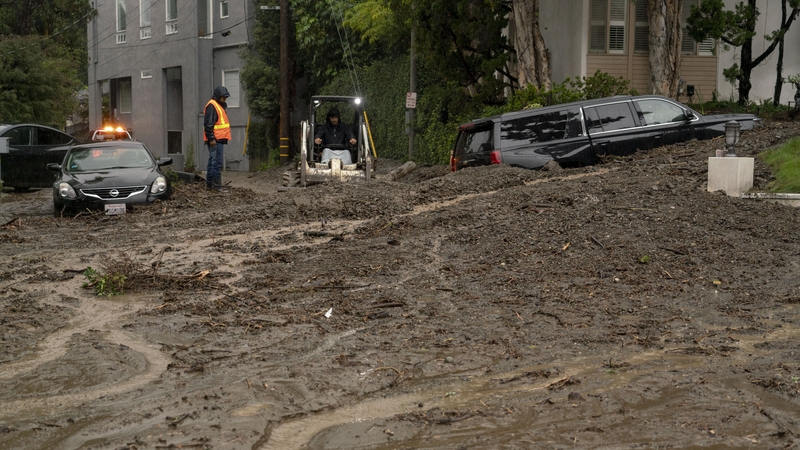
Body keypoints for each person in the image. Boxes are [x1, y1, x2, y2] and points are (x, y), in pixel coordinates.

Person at [204, 86, 231, 189]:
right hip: (215, 140)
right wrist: (211, 138)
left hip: (216, 139)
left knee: (212, 162)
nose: (224, 99)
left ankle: (210, 185)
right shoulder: (213, 106)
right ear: (218, 96)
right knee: (216, 162)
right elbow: (208, 124)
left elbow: (209, 124)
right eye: (223, 97)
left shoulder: (215, 105)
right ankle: (216, 186)